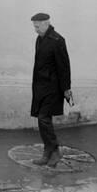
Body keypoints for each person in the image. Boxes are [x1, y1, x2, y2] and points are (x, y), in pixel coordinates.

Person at [30, 12, 72, 167]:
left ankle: (55, 151)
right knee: (42, 120)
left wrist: (66, 88)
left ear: (47, 23)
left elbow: (64, 67)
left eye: (37, 26)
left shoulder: (58, 40)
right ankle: (47, 152)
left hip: (53, 88)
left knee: (43, 118)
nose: (35, 29)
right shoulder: (39, 39)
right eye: (34, 26)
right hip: (40, 87)